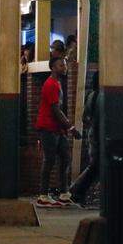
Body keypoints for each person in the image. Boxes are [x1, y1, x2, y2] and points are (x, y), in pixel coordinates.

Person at [35, 56, 79, 207]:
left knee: (65, 157)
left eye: (64, 65)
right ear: (53, 68)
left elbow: (58, 109)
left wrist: (65, 126)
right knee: (49, 160)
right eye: (61, 65)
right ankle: (43, 196)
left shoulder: (57, 83)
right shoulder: (51, 85)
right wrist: (70, 127)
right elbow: (55, 110)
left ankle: (64, 194)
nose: (64, 67)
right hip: (48, 127)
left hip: (56, 128)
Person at [69, 72, 101, 204]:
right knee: (95, 166)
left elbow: (85, 117)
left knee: (95, 166)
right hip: (99, 135)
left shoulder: (92, 96)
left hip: (92, 134)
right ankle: (76, 190)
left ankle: (77, 192)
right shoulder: (103, 96)